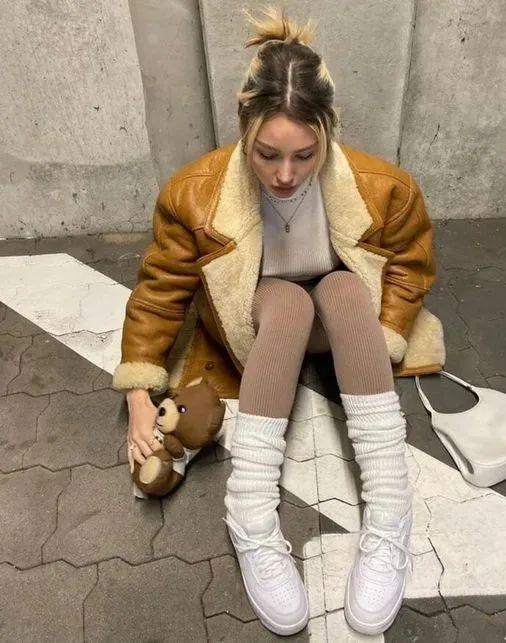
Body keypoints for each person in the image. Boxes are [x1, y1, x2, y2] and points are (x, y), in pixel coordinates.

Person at [113, 5, 445, 637]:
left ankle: (389, 513)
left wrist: (387, 332)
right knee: (290, 302)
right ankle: (251, 516)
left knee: (342, 288)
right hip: (261, 323)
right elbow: (161, 290)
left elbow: (409, 266)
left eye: (304, 155)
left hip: (343, 323)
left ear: (328, 133)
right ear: (244, 131)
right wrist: (137, 392)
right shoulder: (194, 192)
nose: (285, 175)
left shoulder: (385, 186)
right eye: (267, 155)